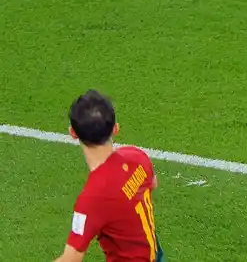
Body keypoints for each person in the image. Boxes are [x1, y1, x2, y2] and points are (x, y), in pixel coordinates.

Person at [53, 89, 164, 262]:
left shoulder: (92, 198)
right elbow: (153, 183)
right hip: (155, 255)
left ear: (73, 133)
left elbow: (72, 258)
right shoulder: (137, 155)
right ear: (115, 128)